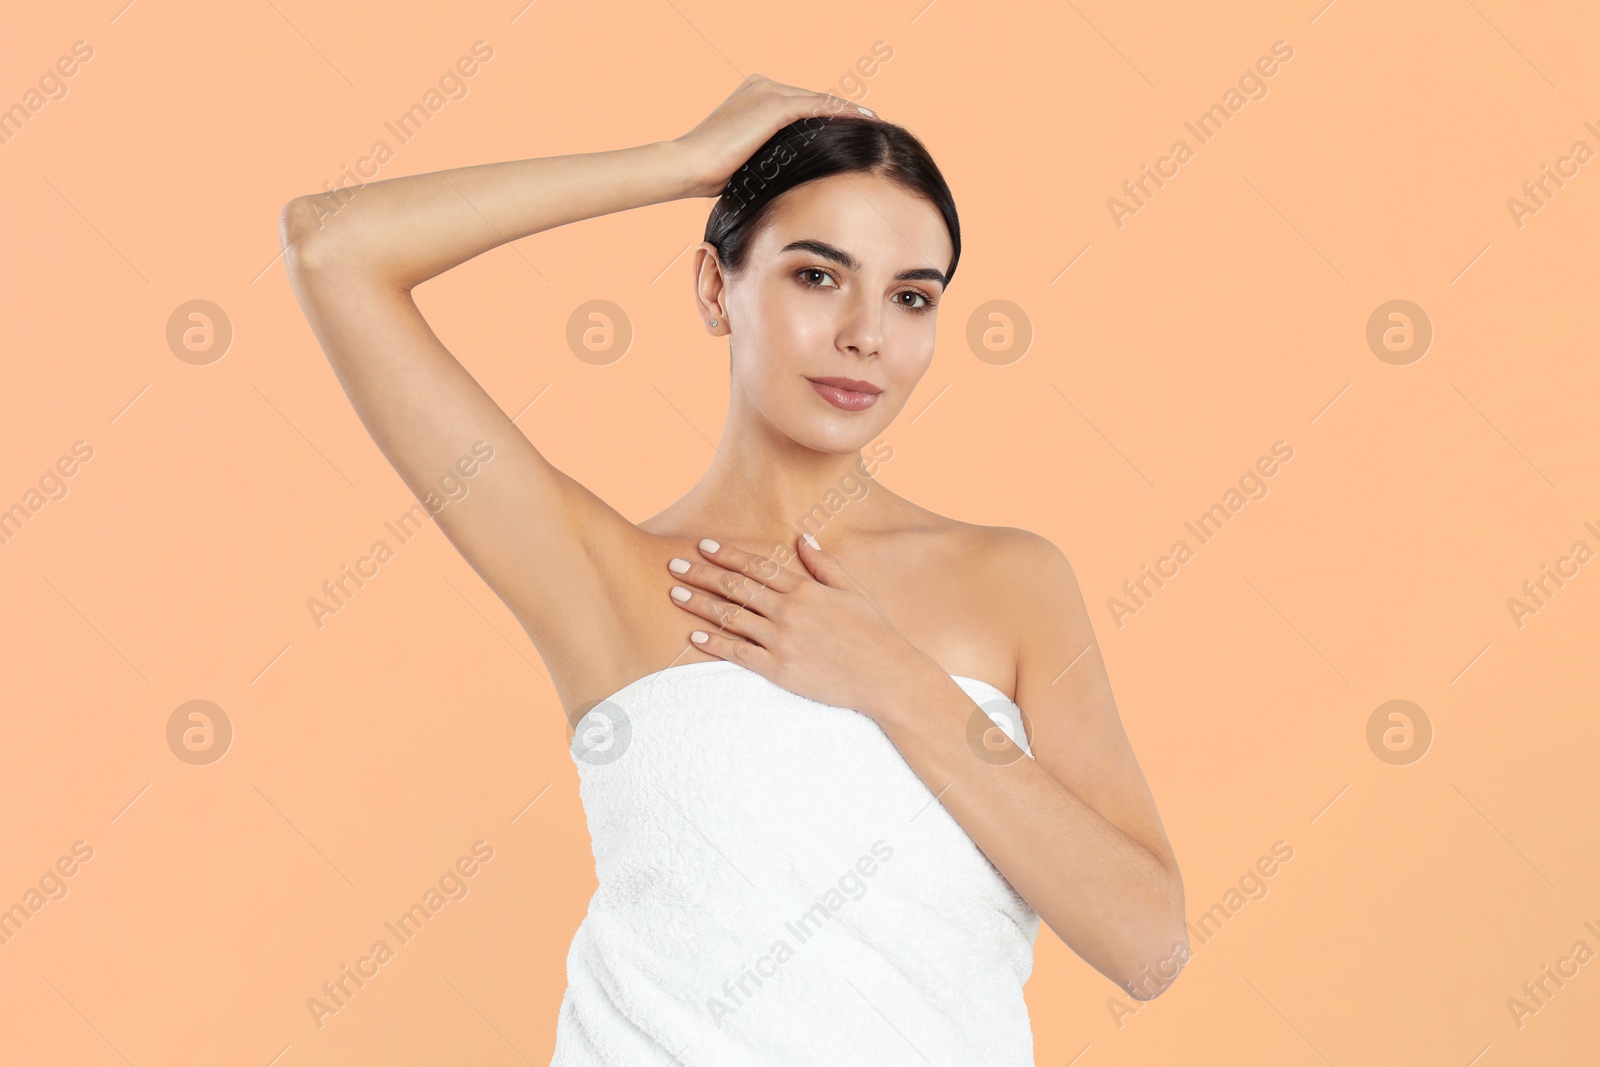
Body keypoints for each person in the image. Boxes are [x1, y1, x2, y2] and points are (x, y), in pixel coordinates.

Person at [280, 74, 1187, 1065]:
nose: (865, 334)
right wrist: (677, 164)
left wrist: (897, 683)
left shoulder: (1012, 583)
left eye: (910, 296)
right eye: (815, 275)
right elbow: (333, 245)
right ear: (716, 287)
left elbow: (1148, 944)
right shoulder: (606, 575)